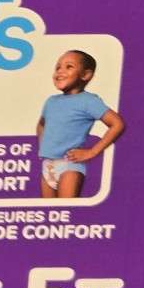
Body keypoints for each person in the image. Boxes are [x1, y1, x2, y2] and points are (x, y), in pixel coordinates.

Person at [37, 50, 124, 199]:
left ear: (86, 75)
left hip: (69, 166)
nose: (60, 71)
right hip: (48, 165)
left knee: (66, 210)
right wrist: (44, 147)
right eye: (58, 67)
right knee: (49, 211)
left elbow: (117, 124)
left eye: (69, 67)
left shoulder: (89, 101)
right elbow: (41, 125)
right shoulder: (51, 101)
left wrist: (92, 152)